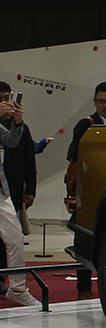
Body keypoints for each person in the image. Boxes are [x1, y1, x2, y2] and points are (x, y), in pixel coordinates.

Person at [66, 81, 106, 300]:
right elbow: (78, 156)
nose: (105, 105)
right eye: (101, 101)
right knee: (84, 240)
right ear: (95, 102)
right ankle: (84, 289)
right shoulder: (86, 124)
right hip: (88, 190)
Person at [0, 91, 39, 307]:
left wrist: (17, 122)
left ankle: (17, 288)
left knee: (15, 238)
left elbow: (12, 141)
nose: (5, 102)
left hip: (1, 191)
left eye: (7, 98)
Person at [0, 82, 37, 239]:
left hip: (12, 187)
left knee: (12, 236)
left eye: (7, 98)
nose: (4, 103)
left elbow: (28, 158)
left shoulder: (21, 127)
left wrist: (30, 189)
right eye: (0, 99)